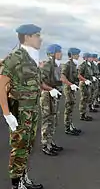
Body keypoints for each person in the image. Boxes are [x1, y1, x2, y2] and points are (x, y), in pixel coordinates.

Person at [0, 24, 44, 189]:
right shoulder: (15, 57)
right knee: (18, 148)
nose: (40, 39)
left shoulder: (32, 58)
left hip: (32, 110)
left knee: (28, 146)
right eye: (37, 35)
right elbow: (1, 85)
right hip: (19, 111)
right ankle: (16, 184)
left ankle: (24, 179)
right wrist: (6, 113)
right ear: (27, 37)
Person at [40, 44, 64, 156]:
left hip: (53, 95)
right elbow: (41, 82)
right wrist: (51, 89)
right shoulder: (47, 65)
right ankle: (45, 145)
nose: (61, 54)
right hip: (46, 95)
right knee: (47, 119)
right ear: (53, 53)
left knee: (53, 119)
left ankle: (50, 142)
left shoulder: (56, 65)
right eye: (59, 52)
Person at [60, 47, 81, 135]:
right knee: (68, 108)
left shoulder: (74, 65)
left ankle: (71, 125)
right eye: (76, 54)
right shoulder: (68, 65)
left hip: (72, 88)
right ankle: (67, 128)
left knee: (71, 107)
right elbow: (62, 76)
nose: (78, 56)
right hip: (68, 88)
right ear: (72, 55)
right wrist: (70, 84)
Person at [78, 52, 95, 121]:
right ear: (86, 58)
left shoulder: (89, 65)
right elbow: (79, 75)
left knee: (86, 98)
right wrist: (85, 80)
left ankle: (84, 114)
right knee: (83, 99)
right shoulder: (83, 65)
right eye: (90, 57)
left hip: (87, 84)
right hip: (83, 84)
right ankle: (82, 115)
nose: (91, 58)